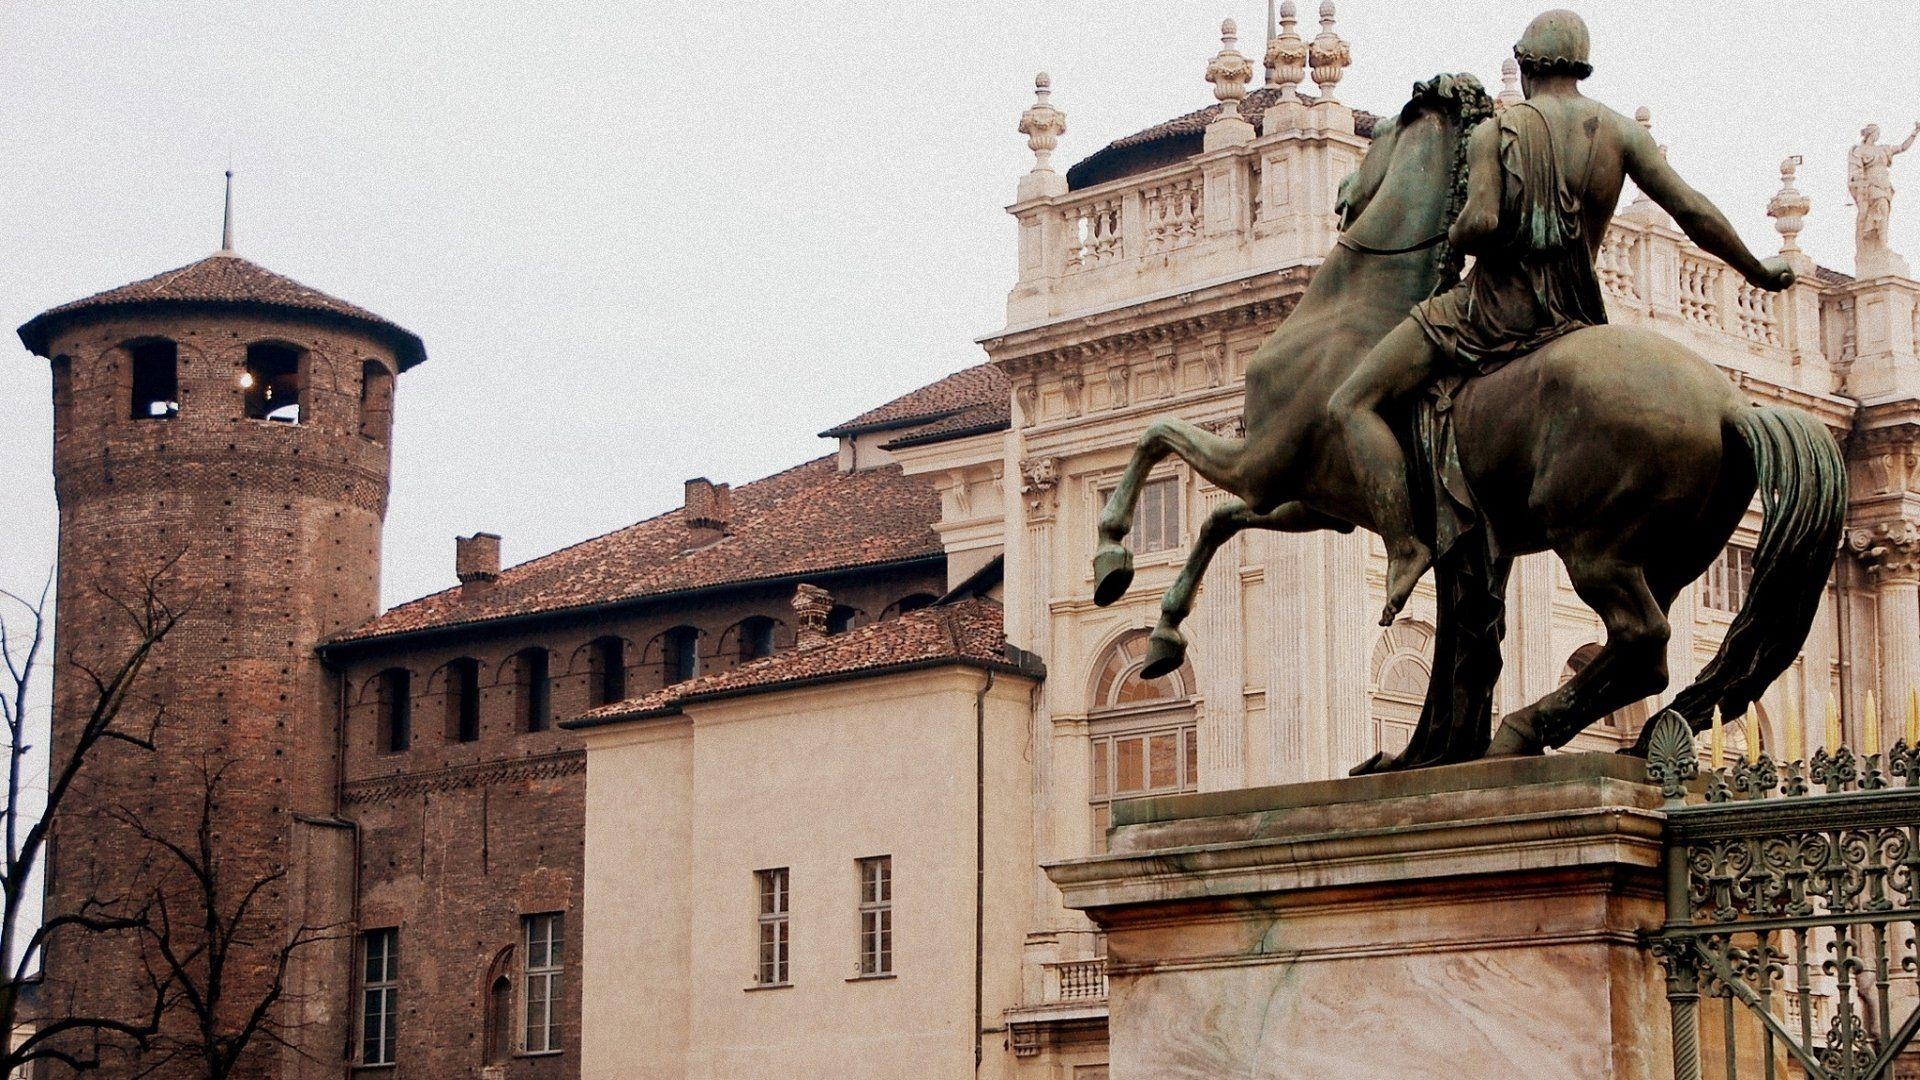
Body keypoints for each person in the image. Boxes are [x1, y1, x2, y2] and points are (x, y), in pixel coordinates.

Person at [1327, 8, 1796, 626]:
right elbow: (1693, 210)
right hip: (1572, 316)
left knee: (1351, 402)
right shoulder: (1620, 133)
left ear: (1525, 67)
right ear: (1581, 66)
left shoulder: (1496, 131)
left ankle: (1404, 543)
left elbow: (1484, 223)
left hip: (1488, 314)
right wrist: (1756, 270)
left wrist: (1459, 233)